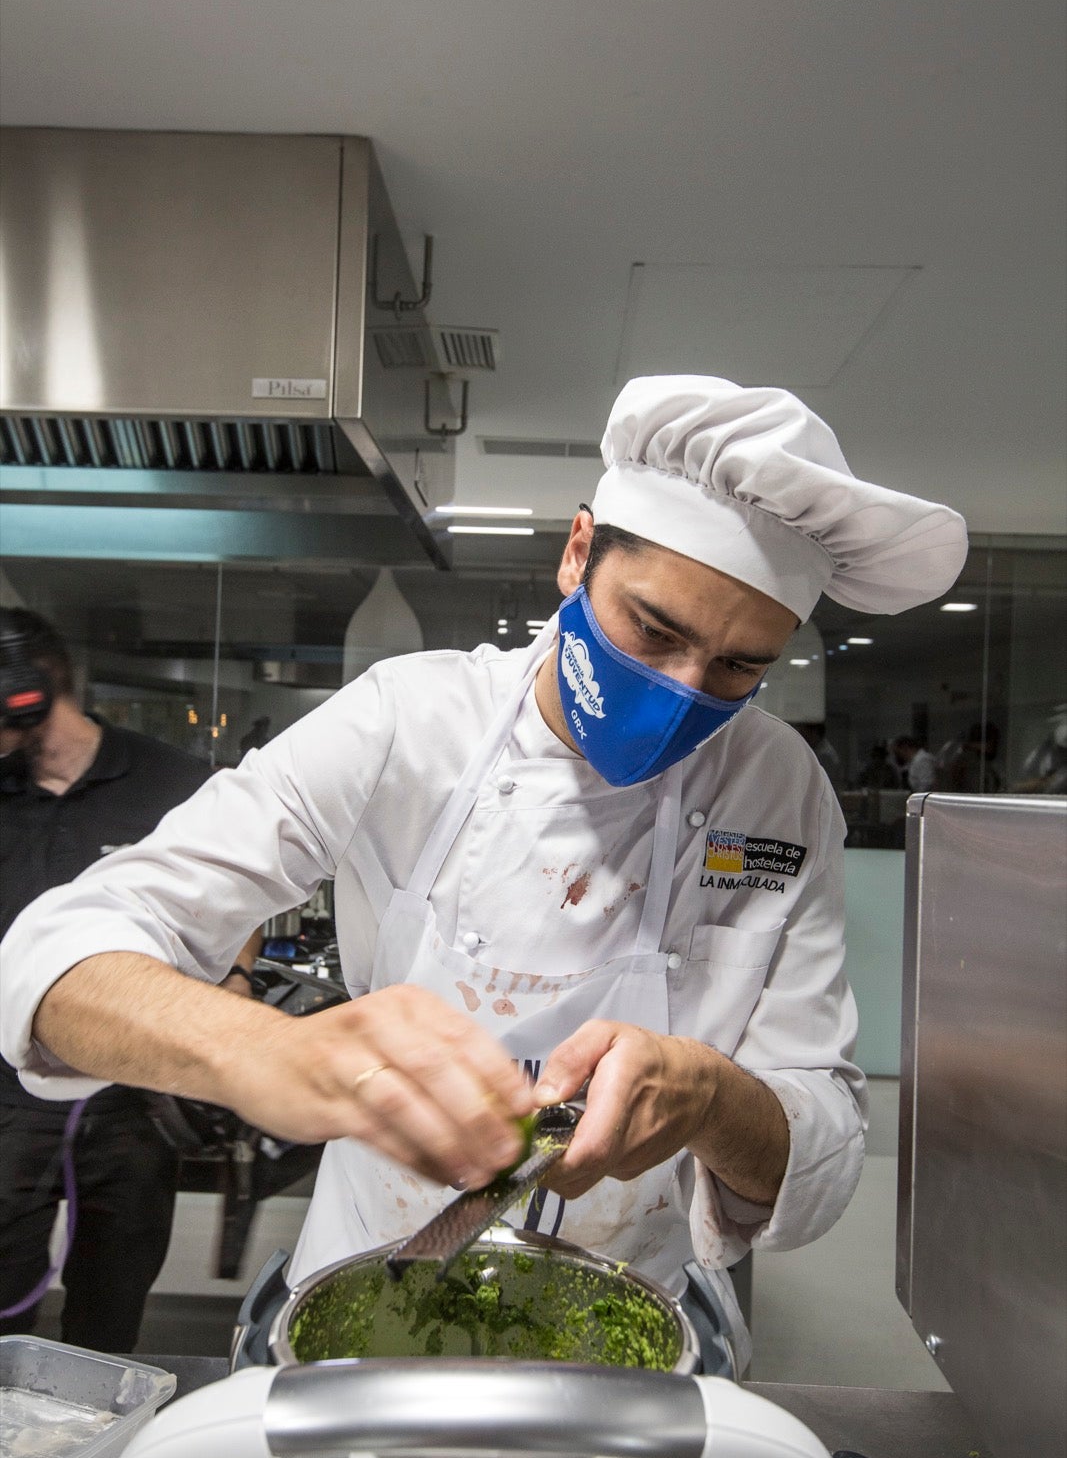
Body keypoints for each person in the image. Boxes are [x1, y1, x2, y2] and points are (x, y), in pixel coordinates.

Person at [0, 378, 968, 1368]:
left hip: (625, 1312)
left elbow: (823, 1146)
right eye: (653, 630)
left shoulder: (777, 789)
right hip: (366, 1280)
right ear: (578, 551)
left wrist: (710, 1094)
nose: (680, 693)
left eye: (732, 668)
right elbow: (55, 956)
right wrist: (266, 1054)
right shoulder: (407, 722)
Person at [0, 608, 261, 1352]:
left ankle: (94, 1451)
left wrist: (234, 983)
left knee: (110, 1301)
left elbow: (241, 894)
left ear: (28, 693)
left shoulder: (171, 783)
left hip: (131, 1102)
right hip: (6, 1097)